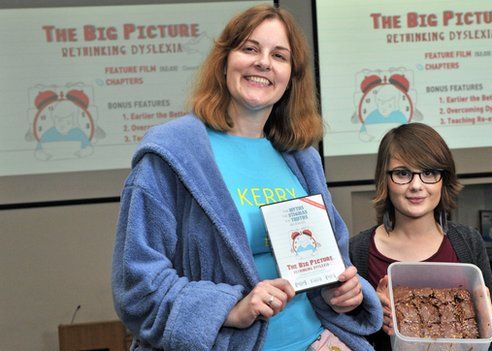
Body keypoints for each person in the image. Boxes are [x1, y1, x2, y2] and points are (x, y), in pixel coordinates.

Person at [111, 4, 381, 351]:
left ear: (291, 77)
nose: (264, 63)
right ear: (224, 61)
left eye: (279, 55)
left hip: (316, 342)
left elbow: (333, 264)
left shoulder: (302, 158)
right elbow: (136, 286)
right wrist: (229, 308)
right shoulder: (171, 154)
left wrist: (343, 291)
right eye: (250, 48)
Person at [349, 123, 492, 351]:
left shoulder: (468, 242)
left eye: (429, 173)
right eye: (402, 173)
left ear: (443, 178)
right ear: (385, 179)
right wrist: (371, 311)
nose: (416, 186)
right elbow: (346, 331)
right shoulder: (358, 251)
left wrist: (483, 308)